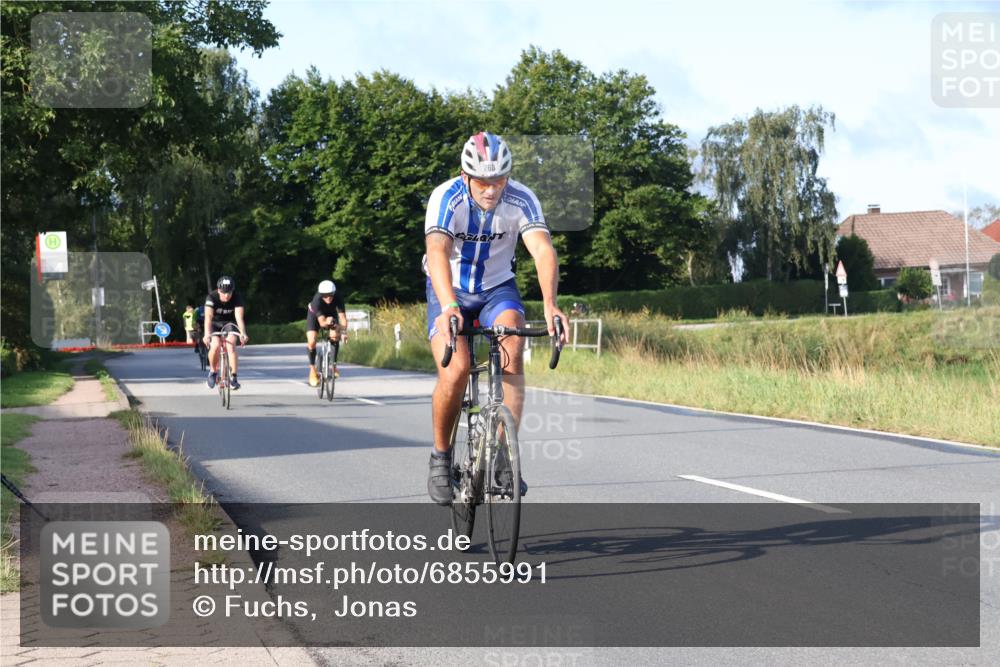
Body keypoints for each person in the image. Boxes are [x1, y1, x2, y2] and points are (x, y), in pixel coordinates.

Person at [423, 131, 569, 505]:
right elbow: (437, 251)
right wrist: (448, 306)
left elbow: (542, 249)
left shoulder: (521, 199)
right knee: (456, 369)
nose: (491, 190)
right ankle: (440, 455)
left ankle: (503, 455)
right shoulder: (446, 197)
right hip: (448, 289)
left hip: (497, 288)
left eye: (499, 179)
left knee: (513, 348)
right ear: (465, 175)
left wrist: (551, 305)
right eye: (483, 181)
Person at [203, 276, 249, 390]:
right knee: (215, 345)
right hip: (215, 323)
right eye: (224, 293)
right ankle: (213, 371)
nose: (227, 295)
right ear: (218, 290)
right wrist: (207, 334)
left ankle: (234, 377)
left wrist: (243, 333)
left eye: (229, 292)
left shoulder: (237, 297)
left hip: (229, 323)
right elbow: (208, 317)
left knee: (231, 343)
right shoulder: (211, 297)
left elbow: (239, 317)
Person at [306, 279, 348, 386]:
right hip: (315, 316)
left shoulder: (338, 297)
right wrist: (328, 322)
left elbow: (343, 318)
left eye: (330, 295)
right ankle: (312, 370)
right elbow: (322, 323)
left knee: (335, 336)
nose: (328, 298)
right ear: (321, 295)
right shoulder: (317, 300)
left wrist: (343, 332)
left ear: (334, 293)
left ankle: (333, 366)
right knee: (312, 341)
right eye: (324, 295)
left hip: (331, 314)